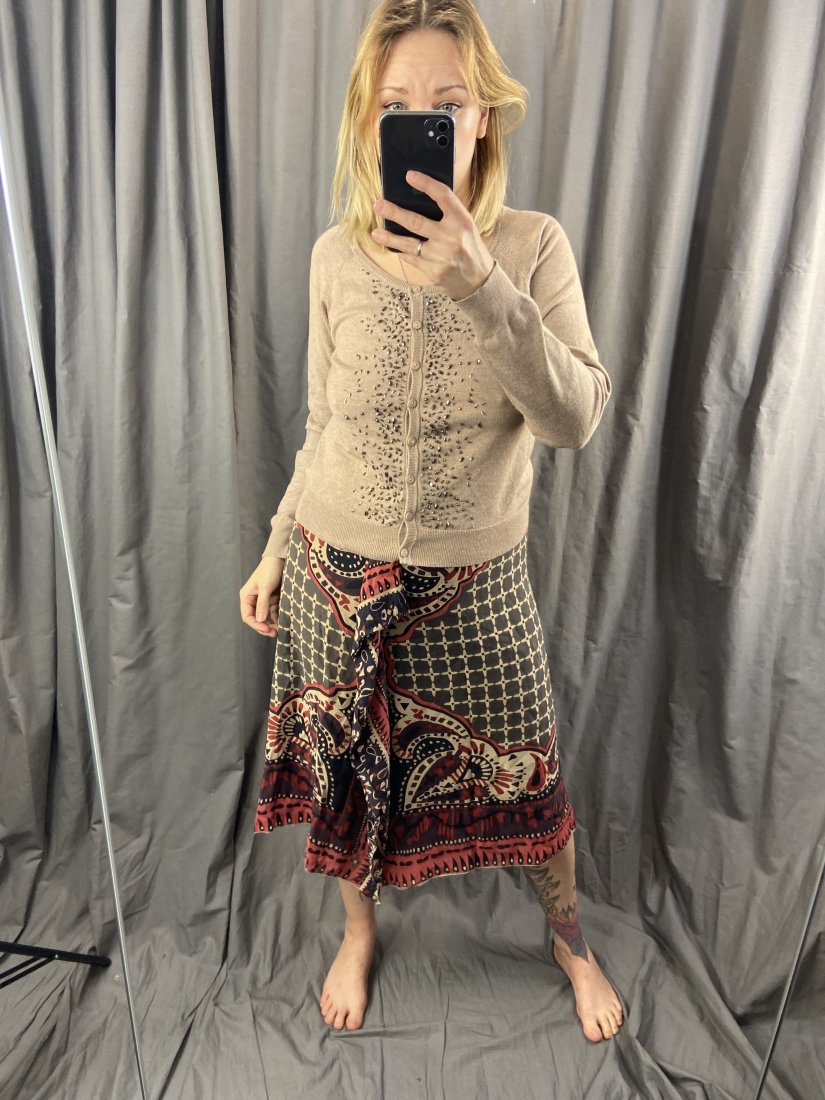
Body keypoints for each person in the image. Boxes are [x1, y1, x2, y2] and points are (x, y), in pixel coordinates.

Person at [240, 0, 624, 1044]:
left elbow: (577, 417)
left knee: (530, 774)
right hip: (333, 573)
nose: (424, 122)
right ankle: (357, 931)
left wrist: (482, 285)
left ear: (483, 118)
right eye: (396, 105)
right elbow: (321, 423)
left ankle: (570, 940)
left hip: (475, 586)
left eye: (447, 104)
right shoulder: (334, 257)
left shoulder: (531, 248)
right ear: (370, 123)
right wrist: (275, 547)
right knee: (344, 774)